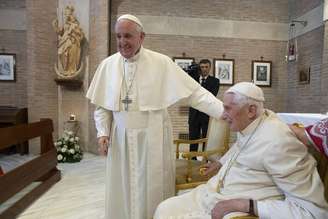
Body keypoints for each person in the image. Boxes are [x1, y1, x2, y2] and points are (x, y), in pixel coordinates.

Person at [86, 14, 224, 219]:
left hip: (153, 137)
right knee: (123, 187)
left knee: (151, 188)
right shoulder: (107, 65)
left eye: (128, 36)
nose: (122, 42)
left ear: (141, 37)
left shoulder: (161, 63)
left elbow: (195, 94)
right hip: (121, 138)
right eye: (118, 36)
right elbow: (102, 106)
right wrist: (102, 132)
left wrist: (225, 111)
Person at [154, 82, 328, 219]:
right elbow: (242, 146)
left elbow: (312, 212)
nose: (223, 115)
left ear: (251, 110)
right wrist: (221, 163)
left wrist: (247, 205)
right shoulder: (254, 122)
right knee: (165, 207)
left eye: (228, 108)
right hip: (213, 194)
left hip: (234, 208)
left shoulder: (278, 142)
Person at [188, 59, 220, 152]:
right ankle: (192, 160)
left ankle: (205, 160)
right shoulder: (192, 80)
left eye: (206, 67)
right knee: (193, 139)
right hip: (194, 114)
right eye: (202, 67)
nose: (204, 69)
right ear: (199, 68)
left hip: (206, 114)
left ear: (210, 68)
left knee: (206, 139)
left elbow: (211, 96)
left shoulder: (215, 81)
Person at [52, 5, 84, 76]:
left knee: (71, 55)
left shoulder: (75, 25)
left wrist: (73, 32)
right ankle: (65, 70)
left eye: (68, 14)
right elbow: (61, 32)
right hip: (64, 42)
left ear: (71, 14)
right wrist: (55, 26)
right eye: (66, 14)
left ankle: (71, 70)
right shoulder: (65, 24)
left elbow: (81, 35)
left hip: (72, 43)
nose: (66, 16)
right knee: (61, 53)